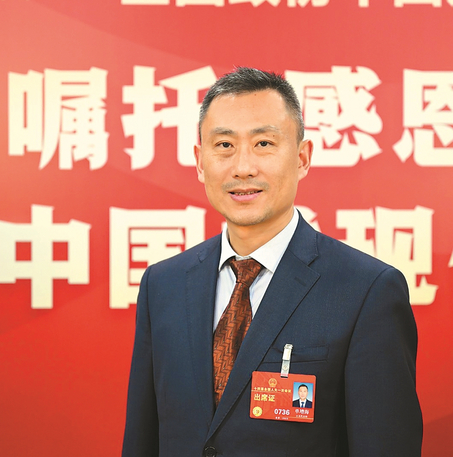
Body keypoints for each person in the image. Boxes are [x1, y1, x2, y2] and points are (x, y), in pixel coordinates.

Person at [122, 67, 422, 457]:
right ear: (200, 161)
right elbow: (143, 439)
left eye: (263, 143)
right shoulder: (163, 285)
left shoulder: (366, 291)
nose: (243, 167)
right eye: (224, 145)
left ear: (302, 158)